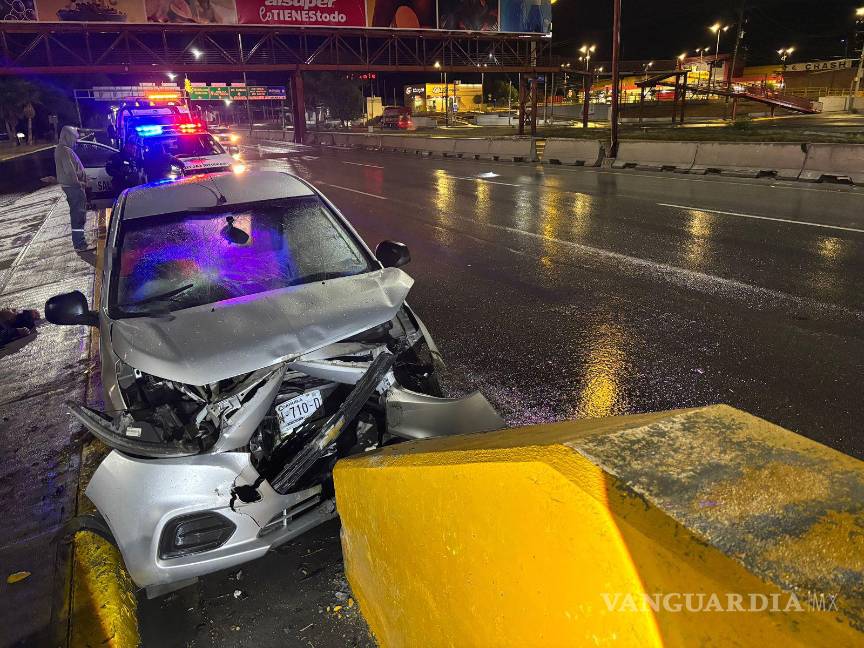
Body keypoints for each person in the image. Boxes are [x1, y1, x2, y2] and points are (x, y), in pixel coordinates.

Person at [54, 126, 89, 250]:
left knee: (78, 214)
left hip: (72, 186)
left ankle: (80, 241)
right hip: (73, 187)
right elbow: (70, 171)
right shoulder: (64, 150)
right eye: (74, 138)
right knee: (78, 215)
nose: (76, 141)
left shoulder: (62, 149)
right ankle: (80, 243)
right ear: (67, 136)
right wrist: (80, 184)